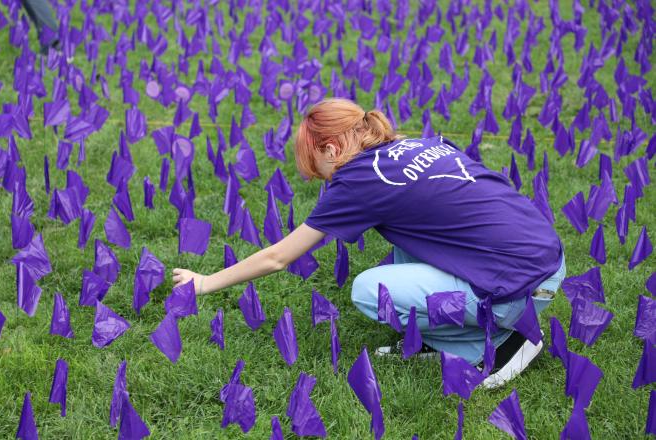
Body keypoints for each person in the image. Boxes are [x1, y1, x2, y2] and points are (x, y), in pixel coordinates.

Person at [172, 97, 566, 389]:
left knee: (368, 290)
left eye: (317, 168)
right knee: (407, 242)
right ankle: (436, 339)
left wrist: (205, 282)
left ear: (331, 149)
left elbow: (279, 257)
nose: (321, 180)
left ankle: (504, 342)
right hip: (545, 256)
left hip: (520, 286)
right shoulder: (415, 143)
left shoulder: (357, 183)